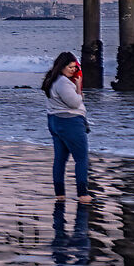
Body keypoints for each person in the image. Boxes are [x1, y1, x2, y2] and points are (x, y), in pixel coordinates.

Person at [42, 50, 90, 204]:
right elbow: (75, 102)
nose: (73, 70)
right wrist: (78, 87)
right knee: (81, 159)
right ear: (61, 66)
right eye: (70, 67)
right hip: (70, 122)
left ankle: (60, 193)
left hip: (55, 122)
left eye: (75, 67)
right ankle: (82, 194)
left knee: (60, 159)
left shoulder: (52, 80)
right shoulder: (63, 83)